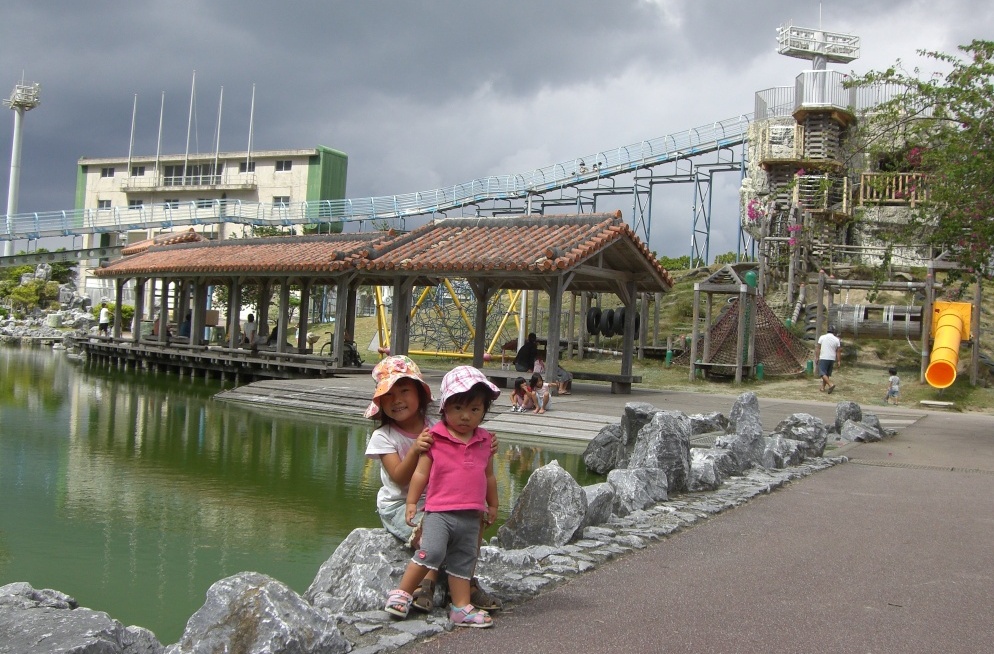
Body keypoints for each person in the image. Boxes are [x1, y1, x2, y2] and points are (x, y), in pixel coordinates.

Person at [365, 357, 500, 614]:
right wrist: (416, 449)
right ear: (380, 402)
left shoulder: (439, 427)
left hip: (442, 498)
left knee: (472, 525)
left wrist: (488, 444)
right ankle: (426, 584)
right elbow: (400, 477)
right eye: (389, 395)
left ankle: (466, 583)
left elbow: (468, 448)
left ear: (421, 394)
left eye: (404, 391)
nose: (397, 400)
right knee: (430, 533)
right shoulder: (383, 436)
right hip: (400, 503)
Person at [815, 324, 842, 394]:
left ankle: (830, 384)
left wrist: (817, 357)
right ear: (834, 332)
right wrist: (839, 361)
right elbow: (838, 351)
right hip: (832, 358)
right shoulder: (837, 339)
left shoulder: (822, 337)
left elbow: (818, 348)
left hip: (824, 357)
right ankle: (823, 388)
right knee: (827, 374)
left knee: (822, 373)